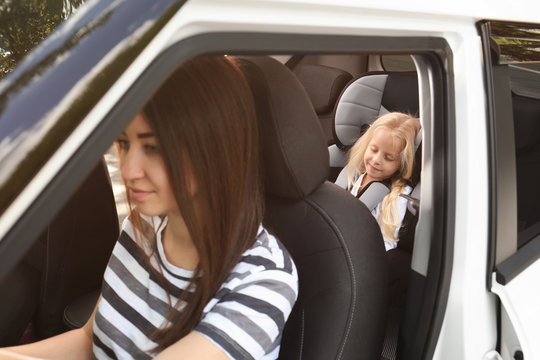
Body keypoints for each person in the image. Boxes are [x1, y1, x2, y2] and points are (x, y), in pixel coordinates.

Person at [1, 56, 298, 359]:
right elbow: (88, 341)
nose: (128, 171)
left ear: (215, 147)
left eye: (153, 147)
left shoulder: (263, 281)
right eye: (124, 143)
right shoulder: (144, 225)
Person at [346, 112, 421, 251]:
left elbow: (387, 245)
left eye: (389, 158)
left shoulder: (397, 197)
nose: (376, 160)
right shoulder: (357, 174)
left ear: (402, 163)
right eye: (373, 149)